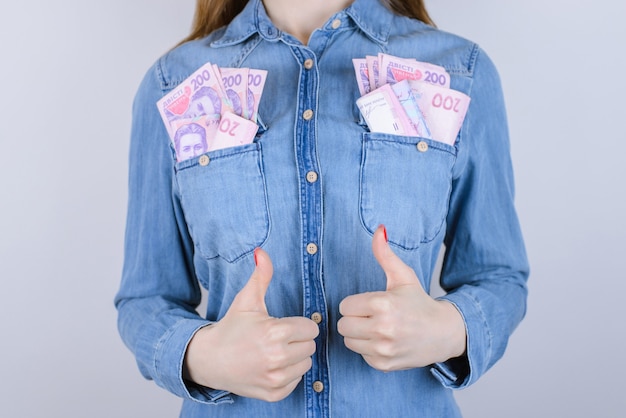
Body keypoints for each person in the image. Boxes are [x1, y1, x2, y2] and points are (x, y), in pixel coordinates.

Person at [115, 0, 529, 416]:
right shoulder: (170, 81)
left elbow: (498, 275)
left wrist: (446, 329)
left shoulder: (462, 70)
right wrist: (205, 356)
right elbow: (146, 298)